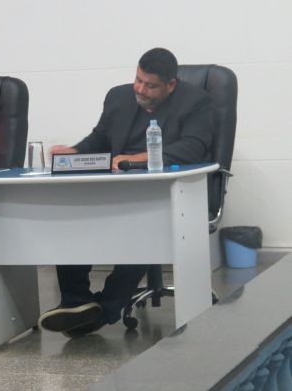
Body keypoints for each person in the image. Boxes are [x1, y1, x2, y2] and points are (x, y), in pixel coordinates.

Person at [39, 47, 213, 337]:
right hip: (117, 190)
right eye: (138, 80)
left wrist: (135, 160)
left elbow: (192, 148)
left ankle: (105, 309)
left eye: (150, 85)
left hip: (166, 195)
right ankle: (75, 303)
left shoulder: (196, 102)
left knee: (145, 229)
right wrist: (73, 152)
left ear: (171, 84)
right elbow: (99, 139)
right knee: (71, 218)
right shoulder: (118, 97)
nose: (140, 89)